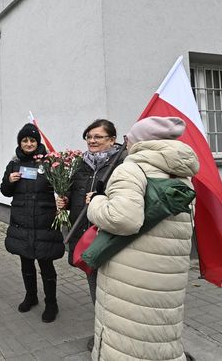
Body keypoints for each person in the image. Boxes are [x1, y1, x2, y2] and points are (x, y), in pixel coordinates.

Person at [87, 116, 199, 360]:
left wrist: (97, 202)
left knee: (128, 338)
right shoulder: (181, 174)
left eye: (128, 138)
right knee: (159, 331)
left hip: (131, 271)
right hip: (167, 273)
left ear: (139, 141)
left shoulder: (132, 169)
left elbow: (124, 219)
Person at [56, 119, 125, 347]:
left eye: (98, 137)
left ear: (112, 140)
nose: (92, 141)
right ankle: (103, 333)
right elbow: (77, 197)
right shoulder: (80, 164)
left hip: (108, 237)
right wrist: (64, 203)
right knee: (95, 287)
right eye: (89, 137)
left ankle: (115, 336)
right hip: (85, 237)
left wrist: (100, 200)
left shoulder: (122, 164)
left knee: (114, 292)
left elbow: (127, 202)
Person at [0, 123, 64, 322]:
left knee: (46, 265)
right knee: (26, 263)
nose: (29, 144)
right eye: (25, 140)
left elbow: (62, 188)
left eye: (32, 140)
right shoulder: (14, 164)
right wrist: (10, 180)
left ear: (38, 142)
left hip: (44, 222)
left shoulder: (49, 163)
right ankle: (31, 296)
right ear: (20, 142)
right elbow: (4, 191)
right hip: (22, 222)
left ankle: (51, 303)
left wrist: (63, 199)